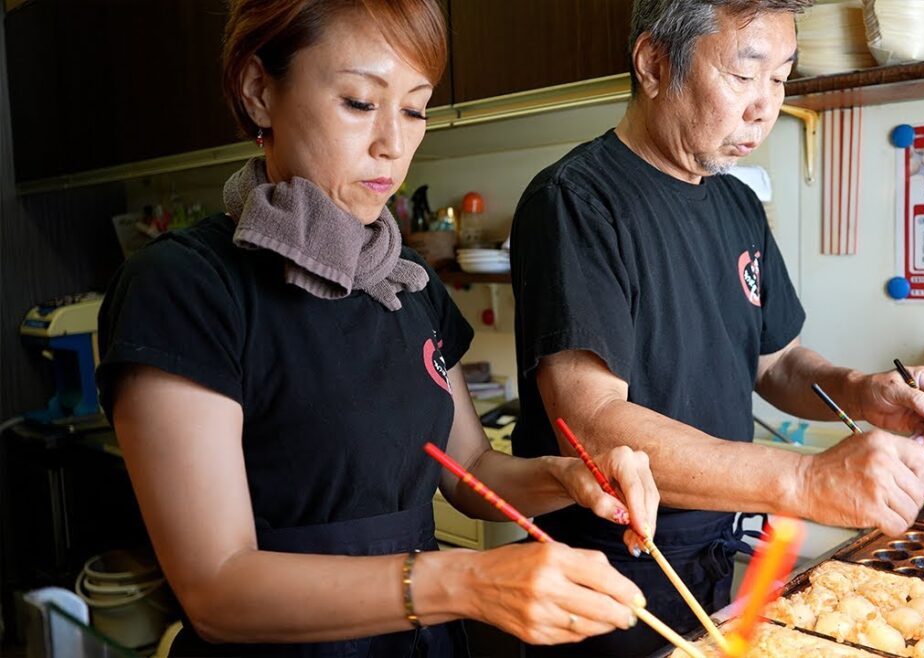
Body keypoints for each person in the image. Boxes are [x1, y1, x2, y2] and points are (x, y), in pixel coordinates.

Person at [95, 1, 661, 656]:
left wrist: (567, 476)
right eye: (361, 102)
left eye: (415, 108)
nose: (393, 142)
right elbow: (218, 590)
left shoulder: (403, 280)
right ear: (258, 92)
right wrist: (467, 581)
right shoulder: (184, 289)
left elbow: (469, 470)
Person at [509, 0, 924, 655]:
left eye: (780, 78)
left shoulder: (736, 202)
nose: (765, 106)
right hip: (603, 569)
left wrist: (862, 392)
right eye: (744, 75)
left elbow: (776, 362)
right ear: (654, 65)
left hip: (711, 559)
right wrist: (807, 481)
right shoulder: (577, 202)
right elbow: (593, 425)